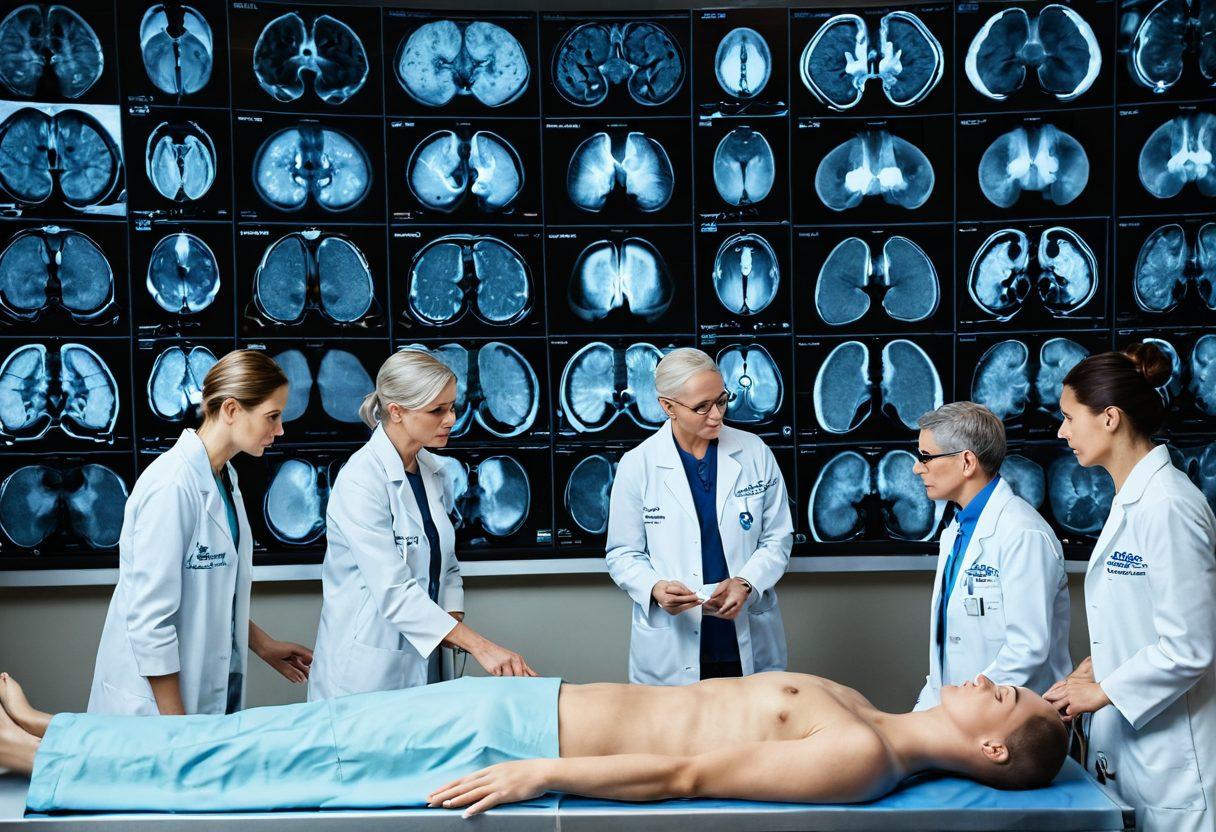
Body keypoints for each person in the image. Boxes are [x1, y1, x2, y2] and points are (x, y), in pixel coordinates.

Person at [0, 668, 1067, 817]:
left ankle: (33, 761)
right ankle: (60, 730)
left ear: (986, 751)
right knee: (298, 731)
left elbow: (687, 771)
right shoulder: (870, 708)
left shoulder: (860, 758)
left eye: (1006, 695)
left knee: (288, 761)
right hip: (532, 702)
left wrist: (546, 770)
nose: (991, 677)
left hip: (525, 734)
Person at [1044, 343, 1216, 832]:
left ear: (1110, 418)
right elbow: (1150, 621)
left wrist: (1101, 692)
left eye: (1069, 417)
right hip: (1133, 749)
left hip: (1175, 763)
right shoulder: (1132, 500)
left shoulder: (1168, 506)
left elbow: (1190, 646)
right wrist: (1096, 665)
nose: (1062, 431)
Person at [87, 350, 313, 716]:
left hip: (203, 692)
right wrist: (179, 730)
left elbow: (212, 592)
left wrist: (261, 644)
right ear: (231, 410)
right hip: (155, 708)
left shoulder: (225, 476)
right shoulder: (172, 486)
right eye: (272, 416)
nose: (280, 430)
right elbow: (150, 621)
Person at [308, 349, 536, 701]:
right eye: (437, 410)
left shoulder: (433, 471)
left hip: (425, 658)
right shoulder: (360, 480)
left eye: (452, 407)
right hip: (367, 671)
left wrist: (452, 613)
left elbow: (446, 562)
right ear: (396, 411)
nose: (452, 420)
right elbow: (394, 593)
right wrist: (480, 647)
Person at [606, 348, 793, 685]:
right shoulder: (639, 464)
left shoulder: (754, 452)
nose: (717, 415)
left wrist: (746, 582)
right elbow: (622, 553)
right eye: (701, 407)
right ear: (668, 407)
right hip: (673, 639)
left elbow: (777, 538)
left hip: (743, 625)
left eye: (721, 400)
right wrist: (654, 588)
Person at [912, 403, 1071, 711]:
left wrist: (962, 708)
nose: (917, 468)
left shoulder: (1023, 533)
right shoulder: (957, 531)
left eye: (926, 457)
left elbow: (1026, 650)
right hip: (962, 712)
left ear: (967, 462)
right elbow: (948, 646)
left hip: (1009, 719)